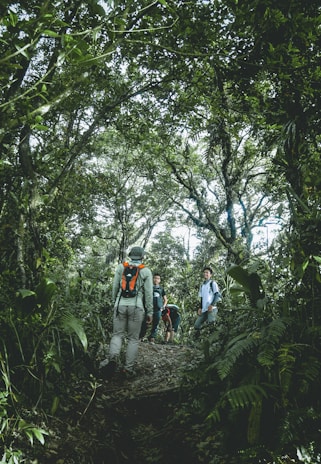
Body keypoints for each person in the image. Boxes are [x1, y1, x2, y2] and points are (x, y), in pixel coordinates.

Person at [101, 246, 153, 379]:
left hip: (120, 305)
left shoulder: (120, 268)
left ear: (130, 256)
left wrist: (115, 302)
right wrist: (150, 312)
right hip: (137, 307)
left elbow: (115, 287)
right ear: (142, 257)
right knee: (133, 339)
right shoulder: (146, 271)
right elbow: (148, 293)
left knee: (117, 335)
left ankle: (113, 360)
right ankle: (128, 369)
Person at [194, 266, 222, 337]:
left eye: (207, 272)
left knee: (212, 325)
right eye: (204, 272)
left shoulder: (213, 283)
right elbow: (202, 298)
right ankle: (197, 341)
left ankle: (214, 343)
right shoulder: (202, 285)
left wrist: (212, 305)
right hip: (204, 309)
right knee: (197, 325)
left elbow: (217, 295)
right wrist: (200, 307)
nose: (205, 274)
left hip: (211, 308)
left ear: (210, 274)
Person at [147, 273, 168, 343]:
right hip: (150, 308)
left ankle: (152, 338)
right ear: (153, 279)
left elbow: (165, 299)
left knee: (155, 324)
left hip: (158, 309)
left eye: (158, 278)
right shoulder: (149, 287)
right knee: (146, 322)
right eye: (155, 278)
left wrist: (163, 307)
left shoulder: (161, 289)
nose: (156, 280)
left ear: (160, 280)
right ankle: (141, 336)